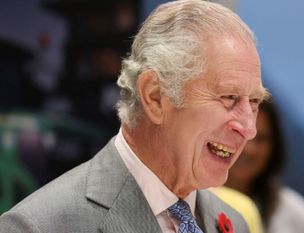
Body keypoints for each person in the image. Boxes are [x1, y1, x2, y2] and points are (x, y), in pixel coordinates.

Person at [0, 1, 269, 232]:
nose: (249, 128)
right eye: (229, 98)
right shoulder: (40, 226)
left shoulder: (233, 222)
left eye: (254, 101)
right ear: (155, 97)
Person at [224, 100, 304, 233]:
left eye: (261, 139)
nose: (249, 149)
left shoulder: (293, 210)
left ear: (274, 146)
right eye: (241, 134)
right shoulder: (192, 201)